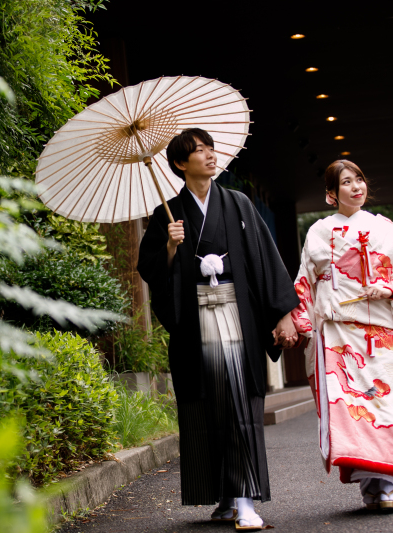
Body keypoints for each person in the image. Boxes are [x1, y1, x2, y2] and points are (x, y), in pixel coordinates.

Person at [137, 128, 299, 530]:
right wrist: (172, 247)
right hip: (195, 323)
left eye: (211, 149)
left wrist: (283, 313)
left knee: (239, 401)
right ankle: (226, 495)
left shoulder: (240, 204)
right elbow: (151, 270)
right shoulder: (166, 215)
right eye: (198, 151)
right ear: (180, 164)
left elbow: (265, 260)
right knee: (207, 405)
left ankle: (245, 499)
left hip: (235, 317)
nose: (210, 156)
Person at [277, 160, 393, 512]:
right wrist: (293, 321)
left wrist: (389, 289)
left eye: (360, 180)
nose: (356, 187)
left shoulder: (386, 229)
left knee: (385, 405)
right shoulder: (320, 232)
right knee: (352, 409)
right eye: (346, 182)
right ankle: (372, 485)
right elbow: (304, 281)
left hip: (381, 334)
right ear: (330, 195)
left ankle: (387, 484)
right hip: (339, 336)